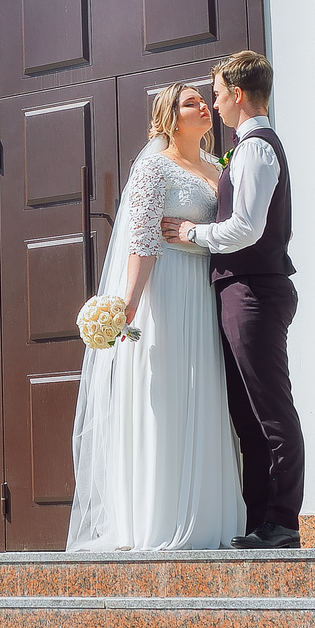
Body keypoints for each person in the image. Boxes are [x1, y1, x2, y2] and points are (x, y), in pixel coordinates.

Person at [63, 82, 247, 552]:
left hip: (204, 293)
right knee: (167, 395)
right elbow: (141, 240)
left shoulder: (216, 167)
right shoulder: (152, 168)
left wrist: (193, 238)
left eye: (204, 99)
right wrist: (126, 304)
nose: (204, 105)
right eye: (191, 103)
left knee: (204, 392)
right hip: (164, 294)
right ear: (169, 116)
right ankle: (158, 518)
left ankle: (209, 516)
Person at [163, 49, 302, 550]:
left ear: (237, 94)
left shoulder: (256, 149)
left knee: (270, 409)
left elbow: (246, 228)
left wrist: (190, 233)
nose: (215, 104)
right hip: (240, 290)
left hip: (255, 291)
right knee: (247, 415)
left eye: (218, 94)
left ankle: (283, 520)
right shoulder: (244, 149)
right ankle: (261, 518)